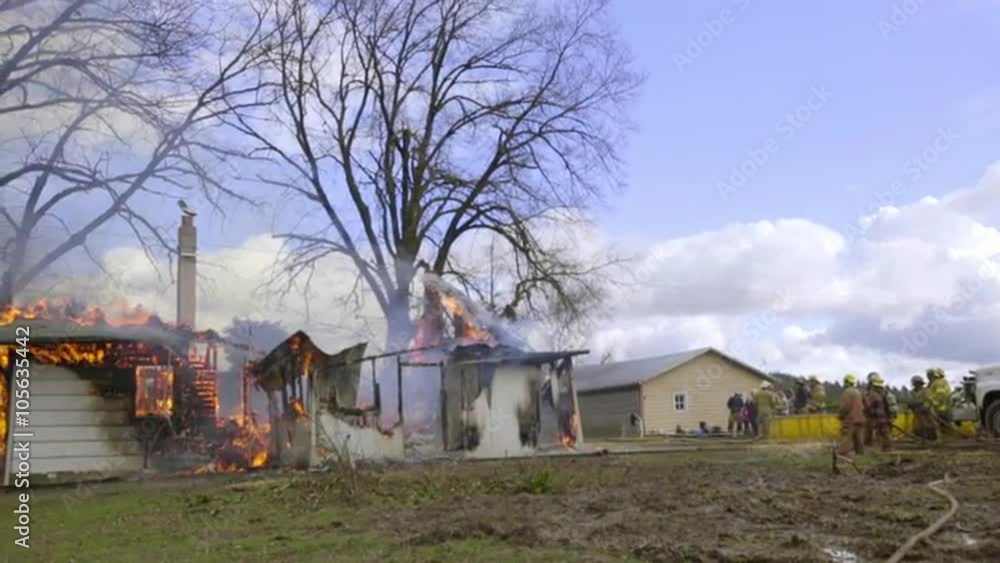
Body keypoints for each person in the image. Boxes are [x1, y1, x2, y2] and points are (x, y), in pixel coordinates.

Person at [837, 373, 866, 456]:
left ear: (847, 382)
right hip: (860, 418)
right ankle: (860, 453)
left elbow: (845, 406)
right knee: (859, 437)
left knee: (846, 436)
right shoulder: (858, 392)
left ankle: (842, 454)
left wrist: (840, 415)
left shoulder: (847, 392)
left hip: (850, 419)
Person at [864, 375, 895, 452]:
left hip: (876, 418)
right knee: (885, 433)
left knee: (871, 433)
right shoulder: (884, 393)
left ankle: (875, 449)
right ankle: (889, 448)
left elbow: (868, 406)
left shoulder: (873, 395)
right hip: (884, 418)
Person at [908, 375, 938, 441]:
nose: (916, 385)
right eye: (915, 384)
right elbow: (911, 401)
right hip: (917, 412)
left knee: (930, 424)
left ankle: (934, 438)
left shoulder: (926, 390)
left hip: (927, 412)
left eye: (917, 383)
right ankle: (922, 438)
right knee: (918, 425)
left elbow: (929, 400)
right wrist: (911, 405)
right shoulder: (912, 392)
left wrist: (925, 407)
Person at [927, 367, 953, 436]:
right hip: (946, 407)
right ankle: (949, 437)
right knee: (947, 424)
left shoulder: (938, 383)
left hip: (940, 408)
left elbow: (940, 395)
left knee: (936, 424)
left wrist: (935, 404)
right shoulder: (944, 381)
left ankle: (940, 438)